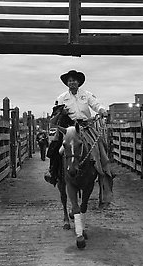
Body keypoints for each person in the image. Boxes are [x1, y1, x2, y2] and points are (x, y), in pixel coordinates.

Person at [44, 70, 114, 205]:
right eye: (70, 81)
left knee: (100, 144)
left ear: (78, 82)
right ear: (67, 83)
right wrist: (61, 112)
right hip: (68, 126)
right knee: (55, 146)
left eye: (74, 80)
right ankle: (53, 172)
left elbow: (96, 105)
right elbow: (55, 114)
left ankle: (105, 171)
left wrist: (102, 110)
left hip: (86, 126)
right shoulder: (62, 97)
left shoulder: (86, 95)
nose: (72, 83)